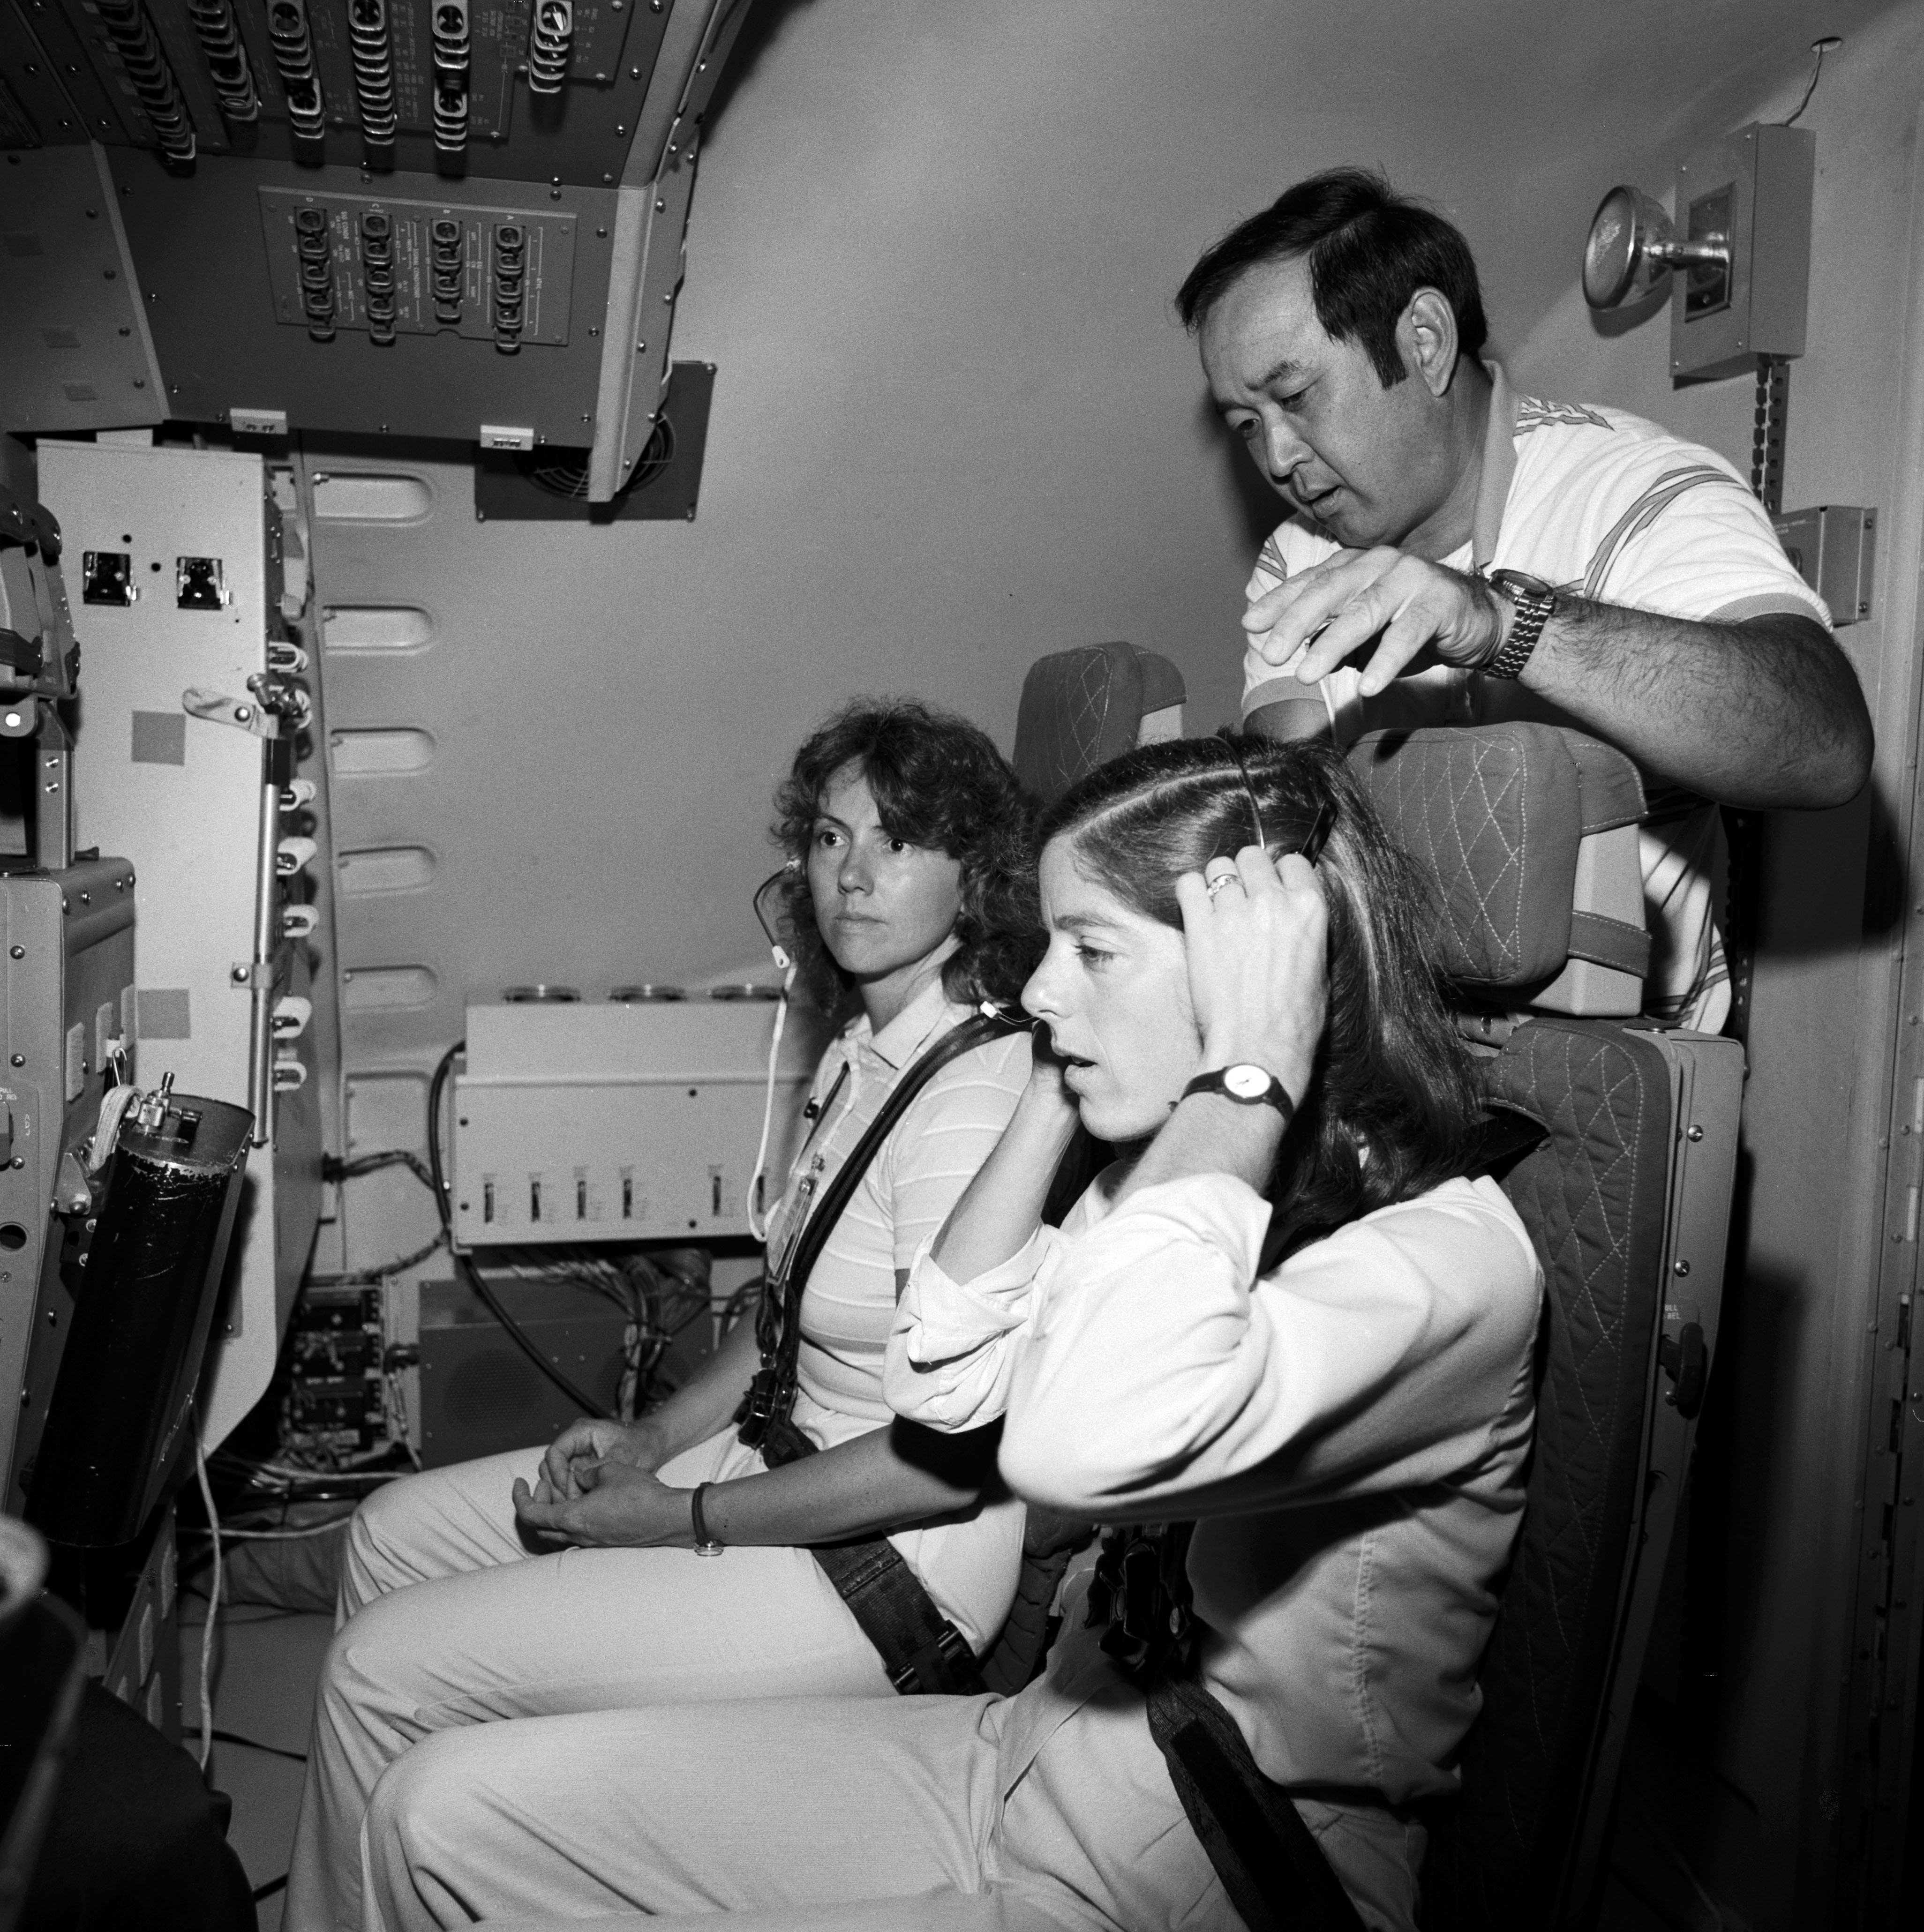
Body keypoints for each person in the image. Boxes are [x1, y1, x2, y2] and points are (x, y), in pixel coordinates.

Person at [352, 736, 1544, 1932]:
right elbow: (946, 1386)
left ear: (1265, 982)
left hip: (1211, 1860)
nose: (1037, 987)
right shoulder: (1163, 1190)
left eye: (1091, 952)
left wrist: (1244, 1075)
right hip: (1034, 1753)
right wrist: (1051, 1079)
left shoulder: (1442, 1262)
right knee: (435, 1812)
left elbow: (1081, 1446)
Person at [283, 698, 1041, 1932]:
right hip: (770, 1457)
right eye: (832, 837)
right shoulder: (864, 1048)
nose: (854, 875)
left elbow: (941, 1464)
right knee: (386, 1534)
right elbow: (787, 1318)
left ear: (975, 870)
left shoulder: (975, 1101)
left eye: (899, 843)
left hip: (884, 1567)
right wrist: (649, 1438)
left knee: (382, 1673)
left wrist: (675, 1513)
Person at [1182, 167, 1872, 1030]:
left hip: (1609, 1063)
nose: (1279, 456)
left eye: (1293, 396)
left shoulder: (1635, 490)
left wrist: (1503, 625)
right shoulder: (1300, 558)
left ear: (1425, 341)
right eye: (1247, 426)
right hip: (1392, 1038)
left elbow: (1827, 744)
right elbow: (1290, 818)